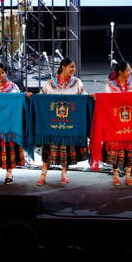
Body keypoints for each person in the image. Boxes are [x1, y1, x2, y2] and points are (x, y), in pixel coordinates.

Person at [36, 57, 88, 185]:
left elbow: (83, 97)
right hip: (53, 123)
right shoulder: (51, 83)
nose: (73, 69)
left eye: (74, 67)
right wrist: (32, 97)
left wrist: (90, 97)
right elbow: (41, 97)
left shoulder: (77, 82)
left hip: (69, 123)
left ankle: (64, 173)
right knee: (49, 148)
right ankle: (43, 174)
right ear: (63, 67)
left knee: (66, 148)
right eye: (71, 67)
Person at [102, 60, 132, 185]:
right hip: (116, 123)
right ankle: (115, 175)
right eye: (128, 70)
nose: (130, 72)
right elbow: (107, 103)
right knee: (116, 148)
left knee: (131, 147)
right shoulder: (110, 85)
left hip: (131, 121)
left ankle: (128, 174)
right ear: (120, 72)